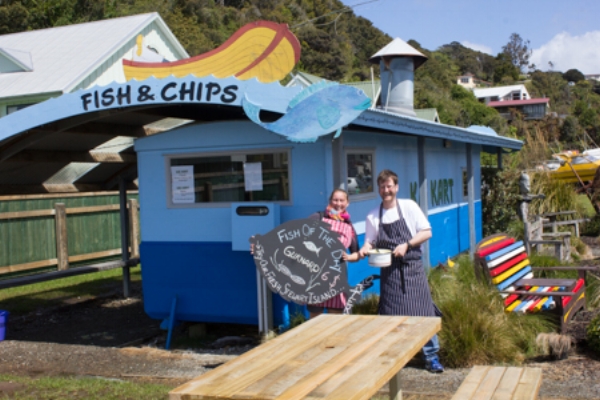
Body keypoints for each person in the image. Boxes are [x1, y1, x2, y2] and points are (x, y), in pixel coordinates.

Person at [358, 169, 444, 373]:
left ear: (396, 187)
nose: (386, 190)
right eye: (382, 187)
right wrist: (364, 249)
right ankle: (395, 357)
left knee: (423, 311)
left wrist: (407, 244)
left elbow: (427, 232)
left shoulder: (408, 207)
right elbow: (369, 241)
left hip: (411, 268)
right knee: (390, 314)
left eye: (389, 186)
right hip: (389, 272)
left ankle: (431, 356)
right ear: (378, 189)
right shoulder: (373, 215)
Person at [306, 188, 360, 318]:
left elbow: (356, 254)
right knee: (315, 317)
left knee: (334, 317)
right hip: (317, 275)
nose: (338, 203)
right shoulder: (318, 217)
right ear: (330, 201)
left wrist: (348, 257)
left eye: (342, 200)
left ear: (347, 203)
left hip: (337, 278)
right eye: (335, 200)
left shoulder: (349, 227)